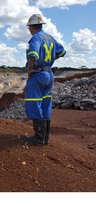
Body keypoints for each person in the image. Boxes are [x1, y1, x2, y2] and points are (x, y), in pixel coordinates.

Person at [21, 14, 66, 145]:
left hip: (38, 74)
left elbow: (33, 53)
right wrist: (49, 59)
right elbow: (62, 52)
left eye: (29, 27)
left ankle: (38, 138)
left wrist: (30, 69)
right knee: (46, 104)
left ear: (31, 27)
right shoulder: (50, 38)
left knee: (34, 103)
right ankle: (45, 138)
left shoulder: (35, 38)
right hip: (49, 75)